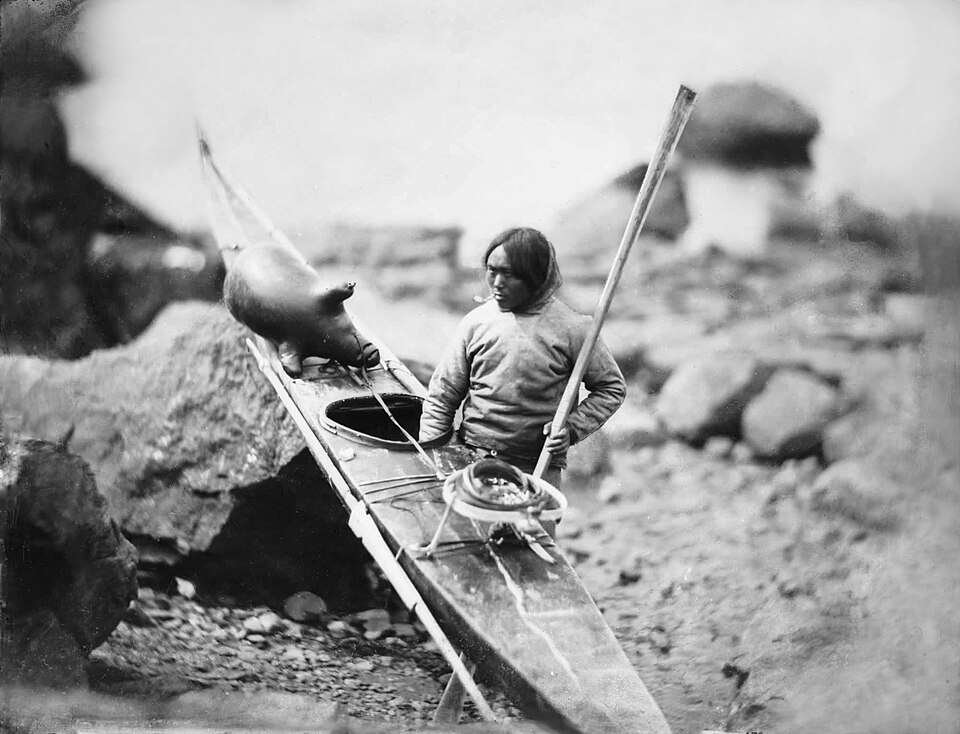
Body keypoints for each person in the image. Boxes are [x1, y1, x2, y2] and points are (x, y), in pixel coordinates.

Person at [418, 227, 626, 489]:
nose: (496, 283)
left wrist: (571, 429)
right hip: (475, 460)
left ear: (535, 277)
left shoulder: (574, 329)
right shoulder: (476, 323)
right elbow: (442, 394)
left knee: (532, 530)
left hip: (538, 466)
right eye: (491, 270)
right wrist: (432, 456)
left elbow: (612, 388)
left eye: (510, 274)